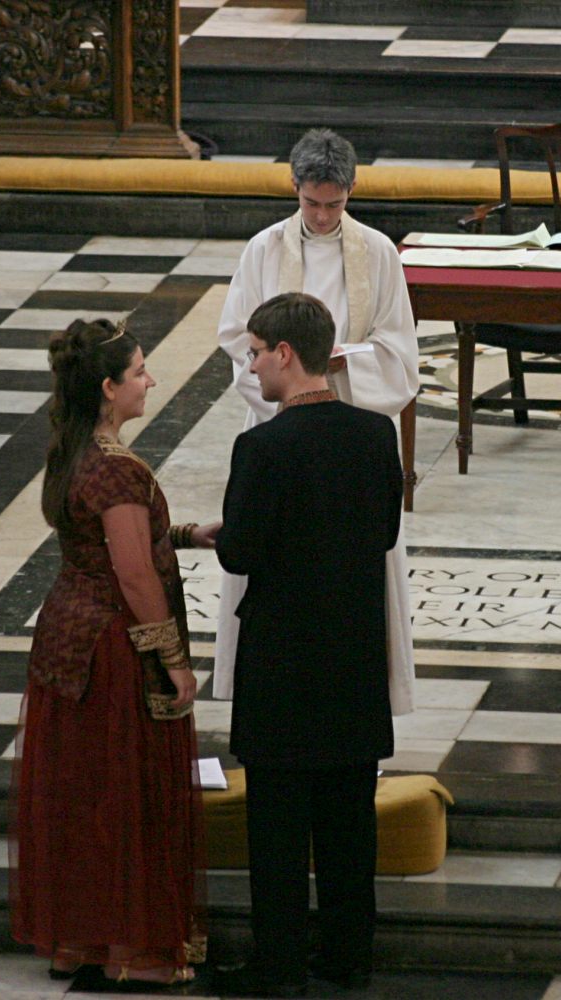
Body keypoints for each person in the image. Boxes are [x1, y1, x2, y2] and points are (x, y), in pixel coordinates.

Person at [9, 317, 220, 987]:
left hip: (64, 640)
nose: (150, 380)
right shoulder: (117, 470)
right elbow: (133, 575)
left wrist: (184, 534)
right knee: (124, 801)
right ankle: (136, 951)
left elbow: (98, 540)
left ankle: (77, 941)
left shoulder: (71, 448)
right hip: (111, 652)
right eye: (138, 371)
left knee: (80, 796)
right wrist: (174, 661)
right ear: (107, 388)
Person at [215, 293, 403, 998]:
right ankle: (348, 958)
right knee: (350, 823)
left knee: (279, 829)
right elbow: (383, 532)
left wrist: (223, 535)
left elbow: (240, 553)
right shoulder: (374, 435)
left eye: (256, 352)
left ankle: (281, 966)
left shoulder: (262, 447)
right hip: (354, 658)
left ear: (285, 354)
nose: (252, 366)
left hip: (282, 665)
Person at [214, 127, 417, 715]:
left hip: (350, 429)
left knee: (351, 573)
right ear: (294, 187)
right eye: (311, 203)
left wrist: (342, 362)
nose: (323, 216)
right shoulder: (264, 249)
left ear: (350, 192)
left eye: (335, 204)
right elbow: (237, 338)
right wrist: (288, 379)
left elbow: (399, 347)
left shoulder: (377, 251)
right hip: (279, 432)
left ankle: (358, 696)